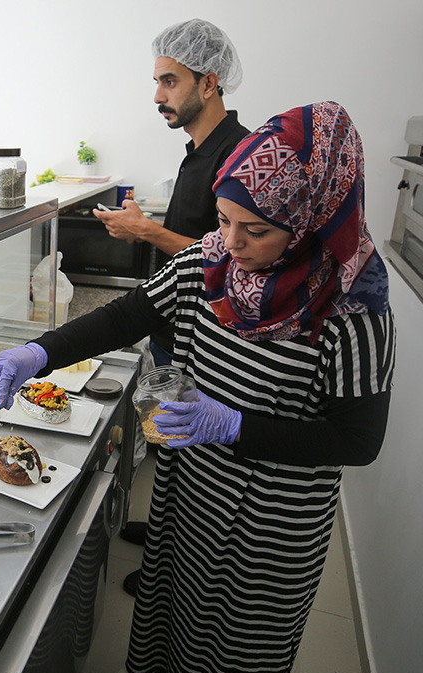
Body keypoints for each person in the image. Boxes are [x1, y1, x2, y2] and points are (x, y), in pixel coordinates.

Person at [0, 102, 394, 673]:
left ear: (310, 216)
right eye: (225, 220)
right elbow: (128, 315)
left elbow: (357, 440)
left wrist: (235, 424)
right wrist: (40, 350)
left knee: (235, 656)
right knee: (177, 619)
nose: (231, 244)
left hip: (269, 526)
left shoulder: (353, 303)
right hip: (193, 491)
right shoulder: (210, 263)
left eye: (254, 230)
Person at [99, 18, 253, 594]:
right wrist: (144, 229)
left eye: (169, 80)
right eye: (157, 80)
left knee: (191, 453)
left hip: (205, 336)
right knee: (166, 445)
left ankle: (174, 576)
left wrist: (148, 233)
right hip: (173, 326)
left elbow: (231, 259)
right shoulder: (197, 150)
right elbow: (194, 234)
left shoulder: (236, 154)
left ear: (208, 83)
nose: (158, 94)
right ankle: (162, 535)